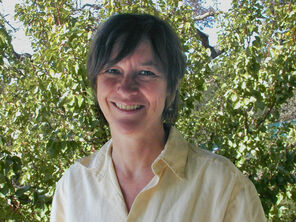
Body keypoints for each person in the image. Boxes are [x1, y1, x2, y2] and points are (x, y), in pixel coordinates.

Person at [50, 13, 266, 222]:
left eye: (146, 73)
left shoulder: (223, 186)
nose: (125, 89)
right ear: (96, 84)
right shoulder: (73, 186)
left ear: (170, 89)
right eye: (112, 70)